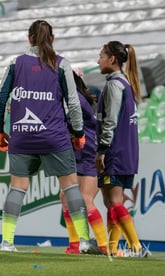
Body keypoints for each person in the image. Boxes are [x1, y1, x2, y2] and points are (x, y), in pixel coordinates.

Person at [0, 20, 99, 254]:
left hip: (21, 135)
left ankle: (7, 242)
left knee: (17, 189)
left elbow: (1, 98)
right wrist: (79, 133)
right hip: (54, 136)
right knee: (71, 188)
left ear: (29, 38)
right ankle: (83, 240)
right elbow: (73, 102)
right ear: (53, 38)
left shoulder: (15, 63)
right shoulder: (62, 64)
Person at [95, 41, 149, 257]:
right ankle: (113, 249)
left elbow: (111, 122)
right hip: (126, 152)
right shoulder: (126, 84)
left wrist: (102, 150)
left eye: (101, 56)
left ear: (112, 59)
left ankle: (136, 247)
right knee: (111, 202)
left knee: (114, 201)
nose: (97, 61)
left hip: (114, 152)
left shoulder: (114, 85)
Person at [60, 71, 107, 255]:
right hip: (77, 154)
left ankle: (104, 246)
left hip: (89, 154)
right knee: (66, 199)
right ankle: (75, 245)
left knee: (85, 199)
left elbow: (70, 126)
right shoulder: (70, 98)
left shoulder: (76, 100)